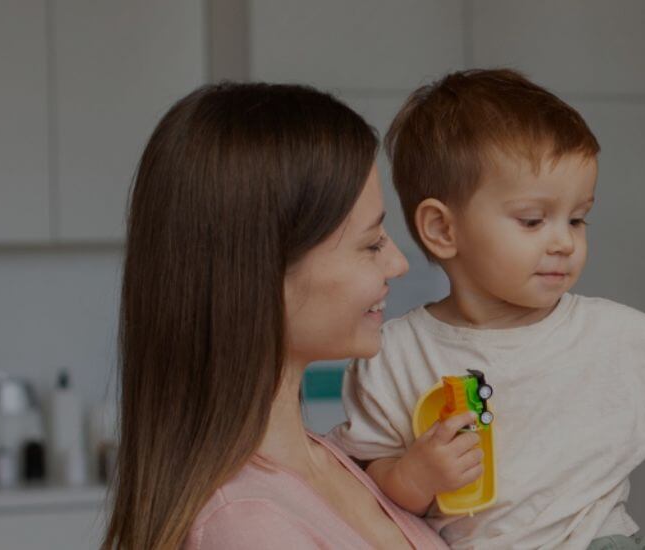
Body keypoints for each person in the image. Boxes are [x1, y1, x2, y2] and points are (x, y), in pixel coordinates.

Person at [328, 69, 645, 550]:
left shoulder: (605, 332)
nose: (564, 242)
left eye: (577, 219)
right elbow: (364, 485)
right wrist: (414, 477)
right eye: (533, 221)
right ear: (443, 230)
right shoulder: (393, 355)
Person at [103, 82, 446, 549]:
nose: (398, 264)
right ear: (262, 274)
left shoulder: (327, 460)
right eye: (371, 244)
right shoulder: (246, 528)